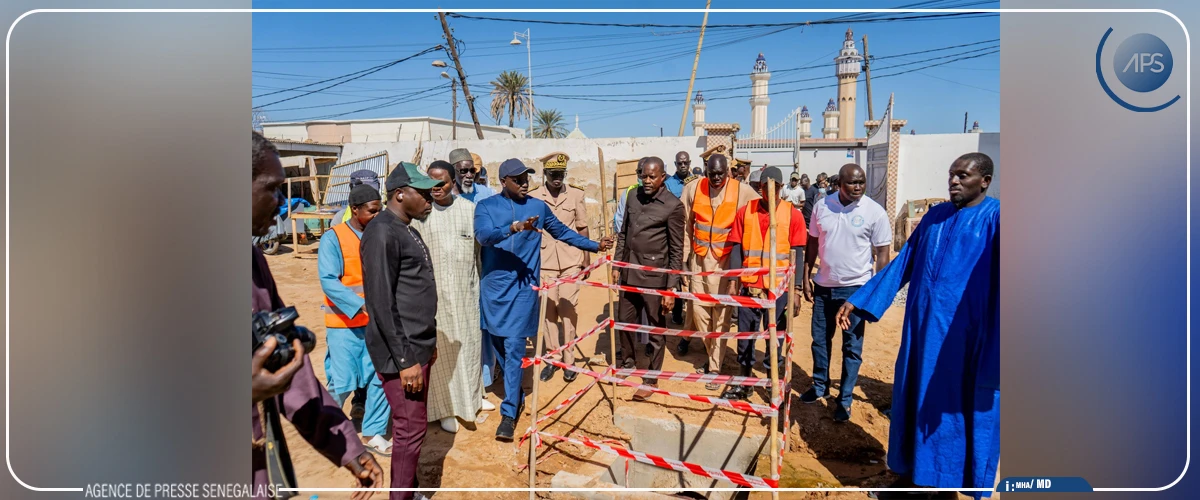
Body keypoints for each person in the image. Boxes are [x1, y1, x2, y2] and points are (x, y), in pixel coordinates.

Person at [837, 153, 999, 498]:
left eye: (964, 176)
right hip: (920, 333)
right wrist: (859, 299)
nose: (954, 181)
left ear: (984, 180)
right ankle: (911, 478)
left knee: (949, 411)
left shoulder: (996, 219)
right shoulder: (935, 217)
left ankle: (943, 484)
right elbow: (902, 263)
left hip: (963, 342)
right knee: (912, 401)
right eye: (952, 174)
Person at [251, 131, 383, 500]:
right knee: (342, 378)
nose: (281, 204)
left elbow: (292, 373)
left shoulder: (253, 264)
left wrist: (349, 448)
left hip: (259, 470)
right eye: (272, 189)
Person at [474, 159, 613, 441]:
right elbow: (483, 236)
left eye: (526, 177)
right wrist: (513, 228)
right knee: (500, 344)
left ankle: (509, 412)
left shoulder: (537, 207)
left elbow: (562, 232)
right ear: (503, 181)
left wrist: (595, 245)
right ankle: (515, 394)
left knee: (514, 349)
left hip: (525, 288)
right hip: (494, 290)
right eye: (518, 179)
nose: (525, 182)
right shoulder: (486, 207)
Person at [360, 162, 444, 498]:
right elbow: (381, 302)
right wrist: (407, 360)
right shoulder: (381, 232)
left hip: (416, 346)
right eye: (423, 193)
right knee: (410, 429)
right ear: (400, 194)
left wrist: (429, 341)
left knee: (414, 426)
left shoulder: (405, 227)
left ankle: (407, 488)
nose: (431, 199)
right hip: (401, 353)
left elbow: (414, 292)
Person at [801, 163, 892, 423]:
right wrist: (806, 277)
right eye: (852, 182)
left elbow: (883, 252)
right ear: (838, 183)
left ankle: (845, 399)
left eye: (861, 182)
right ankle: (820, 387)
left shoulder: (875, 212)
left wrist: (875, 290)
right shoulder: (822, 206)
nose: (858, 187)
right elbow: (813, 243)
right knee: (820, 340)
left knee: (851, 346)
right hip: (823, 287)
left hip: (856, 290)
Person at [414, 161, 493, 435]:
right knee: (443, 353)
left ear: (453, 182)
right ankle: (446, 409)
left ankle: (472, 399)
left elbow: (479, 258)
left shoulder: (470, 211)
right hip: (435, 299)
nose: (436, 189)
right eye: (432, 183)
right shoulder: (421, 215)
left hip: (466, 294)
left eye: (442, 183)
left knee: (470, 347)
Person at [719, 167, 806, 400]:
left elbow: (798, 252)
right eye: (766, 187)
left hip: (777, 291)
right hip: (750, 287)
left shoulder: (792, 214)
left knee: (774, 340)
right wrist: (733, 279)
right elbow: (736, 246)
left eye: (775, 187)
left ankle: (772, 384)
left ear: (781, 188)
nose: (770, 192)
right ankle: (745, 383)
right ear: (759, 188)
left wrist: (795, 290)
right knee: (745, 337)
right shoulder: (746, 212)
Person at [318, 184, 392, 456]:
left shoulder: (381, 235)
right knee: (342, 380)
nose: (377, 215)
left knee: (381, 377)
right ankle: (327, 429)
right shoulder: (333, 238)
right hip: (344, 325)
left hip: (376, 324)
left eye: (379, 210)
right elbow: (328, 280)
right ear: (356, 210)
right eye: (372, 211)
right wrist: (361, 305)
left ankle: (373, 432)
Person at [677, 153, 760, 388]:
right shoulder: (692, 189)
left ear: (728, 171)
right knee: (699, 313)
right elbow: (685, 226)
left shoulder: (741, 191)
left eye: (720, 174)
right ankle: (711, 349)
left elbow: (762, 208)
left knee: (722, 315)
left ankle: (714, 366)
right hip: (700, 261)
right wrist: (684, 259)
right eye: (711, 173)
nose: (715, 178)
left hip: (725, 263)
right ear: (705, 170)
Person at [612, 157, 685, 401]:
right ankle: (628, 363)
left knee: (655, 330)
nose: (647, 180)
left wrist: (671, 288)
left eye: (652, 176)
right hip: (628, 272)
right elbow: (624, 233)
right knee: (624, 321)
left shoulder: (673, 206)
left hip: (655, 278)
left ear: (663, 177)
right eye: (644, 176)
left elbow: (676, 250)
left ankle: (651, 377)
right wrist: (617, 263)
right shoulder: (633, 197)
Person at [529, 152, 592, 383]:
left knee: (567, 308)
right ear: (545, 174)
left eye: (561, 174)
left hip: (570, 261)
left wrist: (586, 259)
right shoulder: (534, 197)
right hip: (544, 262)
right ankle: (552, 358)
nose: (557, 179)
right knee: (548, 312)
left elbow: (582, 227)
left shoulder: (576, 195)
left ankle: (569, 360)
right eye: (553, 174)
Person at [612, 159, 644, 234]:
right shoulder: (629, 192)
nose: (642, 175)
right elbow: (620, 219)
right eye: (639, 172)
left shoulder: (663, 193)